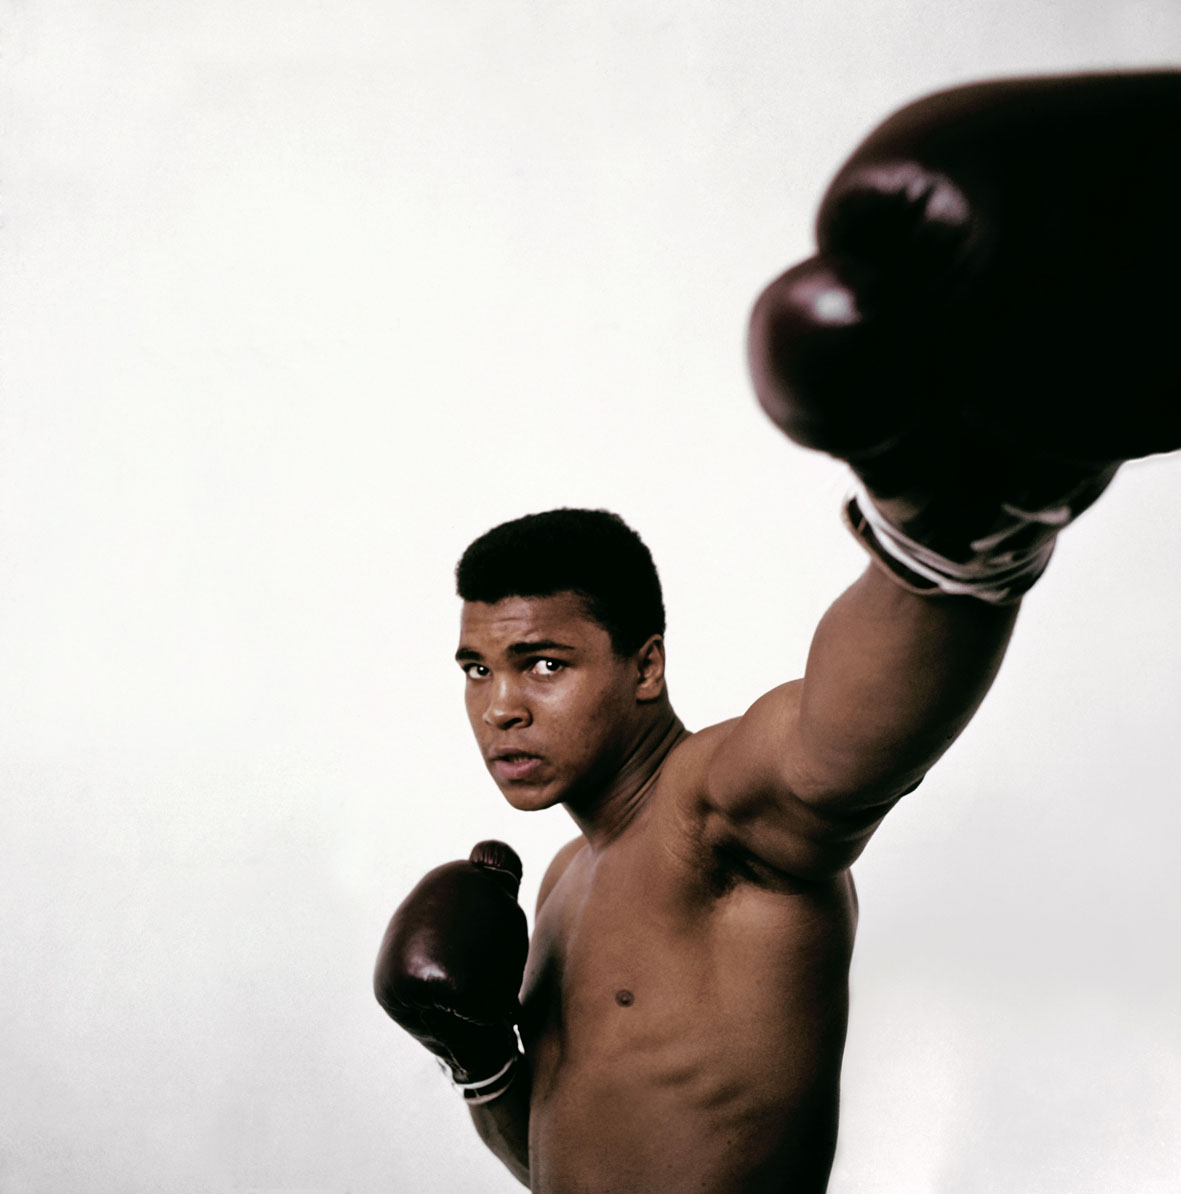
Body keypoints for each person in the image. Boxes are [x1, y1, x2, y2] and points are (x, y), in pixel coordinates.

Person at [373, 70, 1181, 1193]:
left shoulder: (712, 810)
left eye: (543, 663)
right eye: (477, 669)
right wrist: (483, 1066)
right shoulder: (560, 883)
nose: (500, 706)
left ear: (645, 666)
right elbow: (567, 1157)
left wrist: (954, 541)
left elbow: (833, 756)